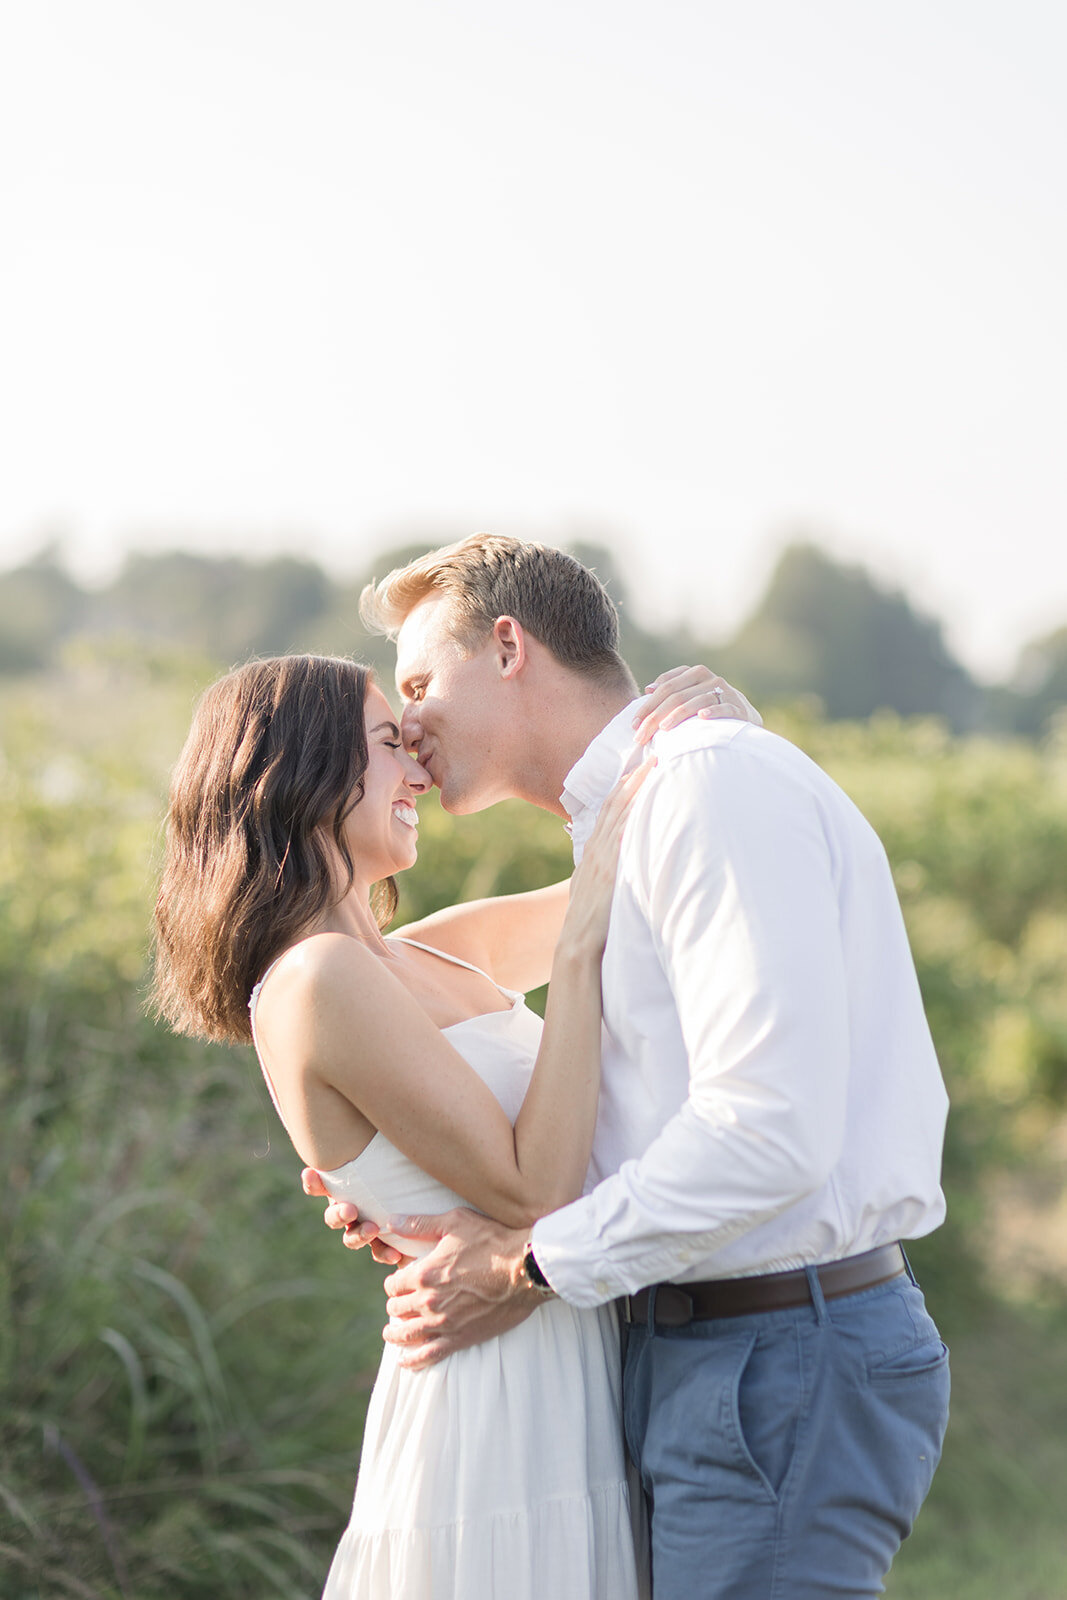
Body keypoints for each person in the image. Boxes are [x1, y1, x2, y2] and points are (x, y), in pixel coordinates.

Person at [313, 533, 952, 1600]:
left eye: (419, 682)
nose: (409, 724)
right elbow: (621, 1101)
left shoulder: (706, 791)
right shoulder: (636, 817)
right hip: (682, 1348)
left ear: (507, 646)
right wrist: (403, 1184)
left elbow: (764, 1127)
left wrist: (528, 1263)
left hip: (776, 1354)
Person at [152, 649, 751, 1599]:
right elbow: (533, 1191)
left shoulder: (429, 953)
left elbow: (630, 882)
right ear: (301, 773)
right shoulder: (316, 979)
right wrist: (584, 954)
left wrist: (716, 743)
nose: (418, 770)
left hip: (565, 1365)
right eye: (389, 743)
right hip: (496, 1404)